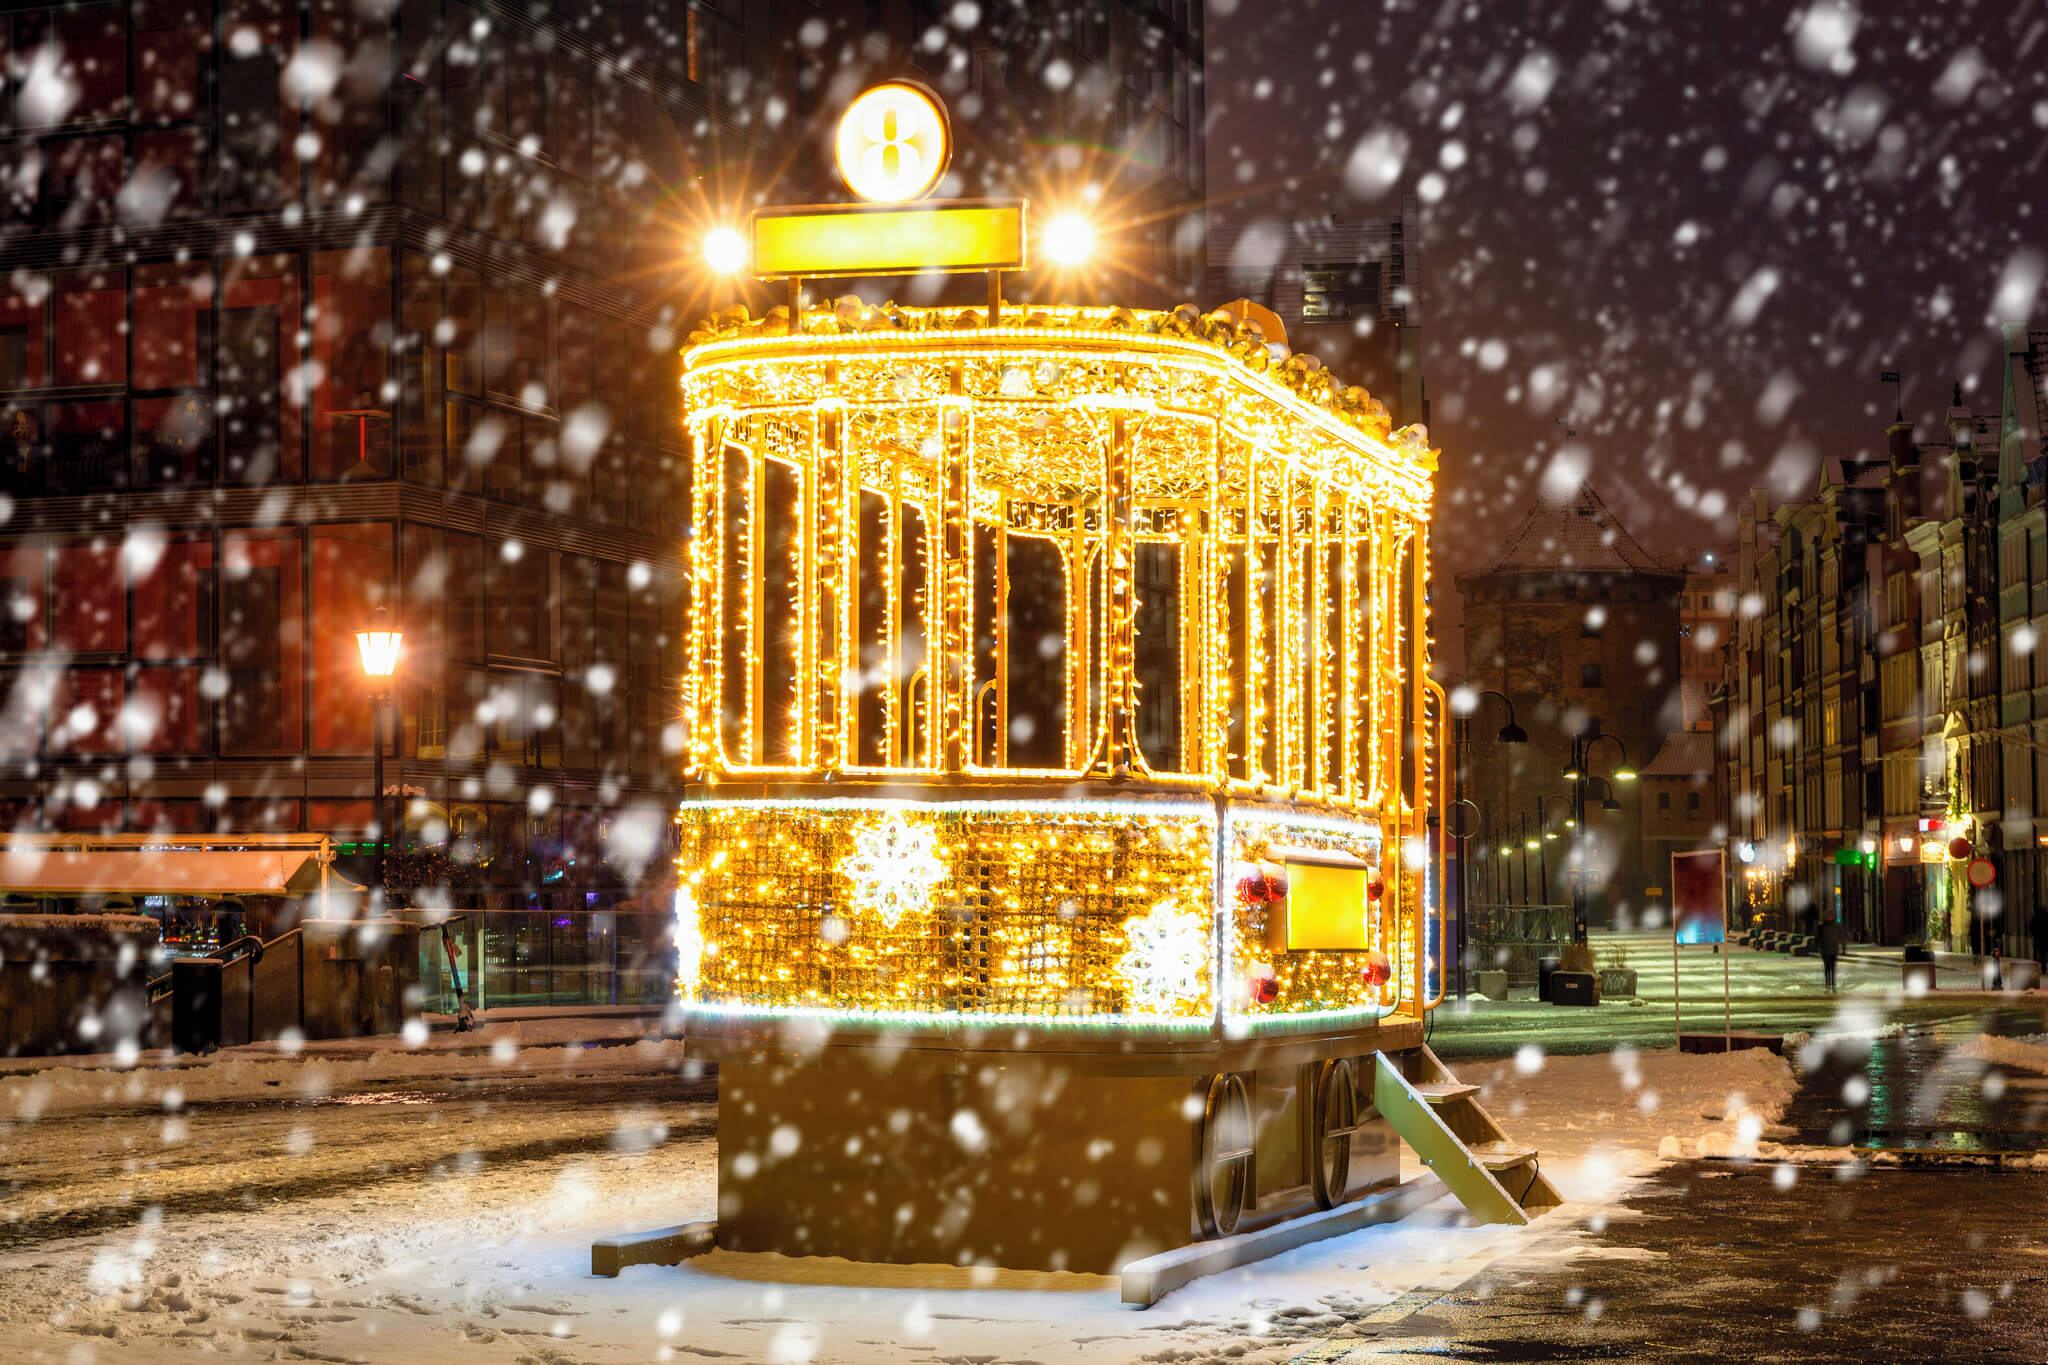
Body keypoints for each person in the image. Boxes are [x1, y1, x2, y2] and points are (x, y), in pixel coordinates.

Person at [1817, 913, 1844, 993]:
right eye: (1828, 916)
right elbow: (1817, 937)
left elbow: (1841, 937)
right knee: (1827, 968)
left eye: (1830, 916)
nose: (1829, 918)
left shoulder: (1836, 926)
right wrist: (1817, 946)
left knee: (1832, 968)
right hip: (1825, 950)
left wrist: (1843, 948)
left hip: (1833, 950)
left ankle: (1833, 985)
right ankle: (1828, 985)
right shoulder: (1821, 926)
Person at [2032, 903, 2048, 971]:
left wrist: (2034, 934)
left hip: (2039, 937)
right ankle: (2043, 966)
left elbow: (2032, 927)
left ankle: (2040, 964)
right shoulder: (2046, 917)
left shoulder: (2036, 917)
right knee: (2043, 952)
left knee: (2040, 952)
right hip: (2045, 937)